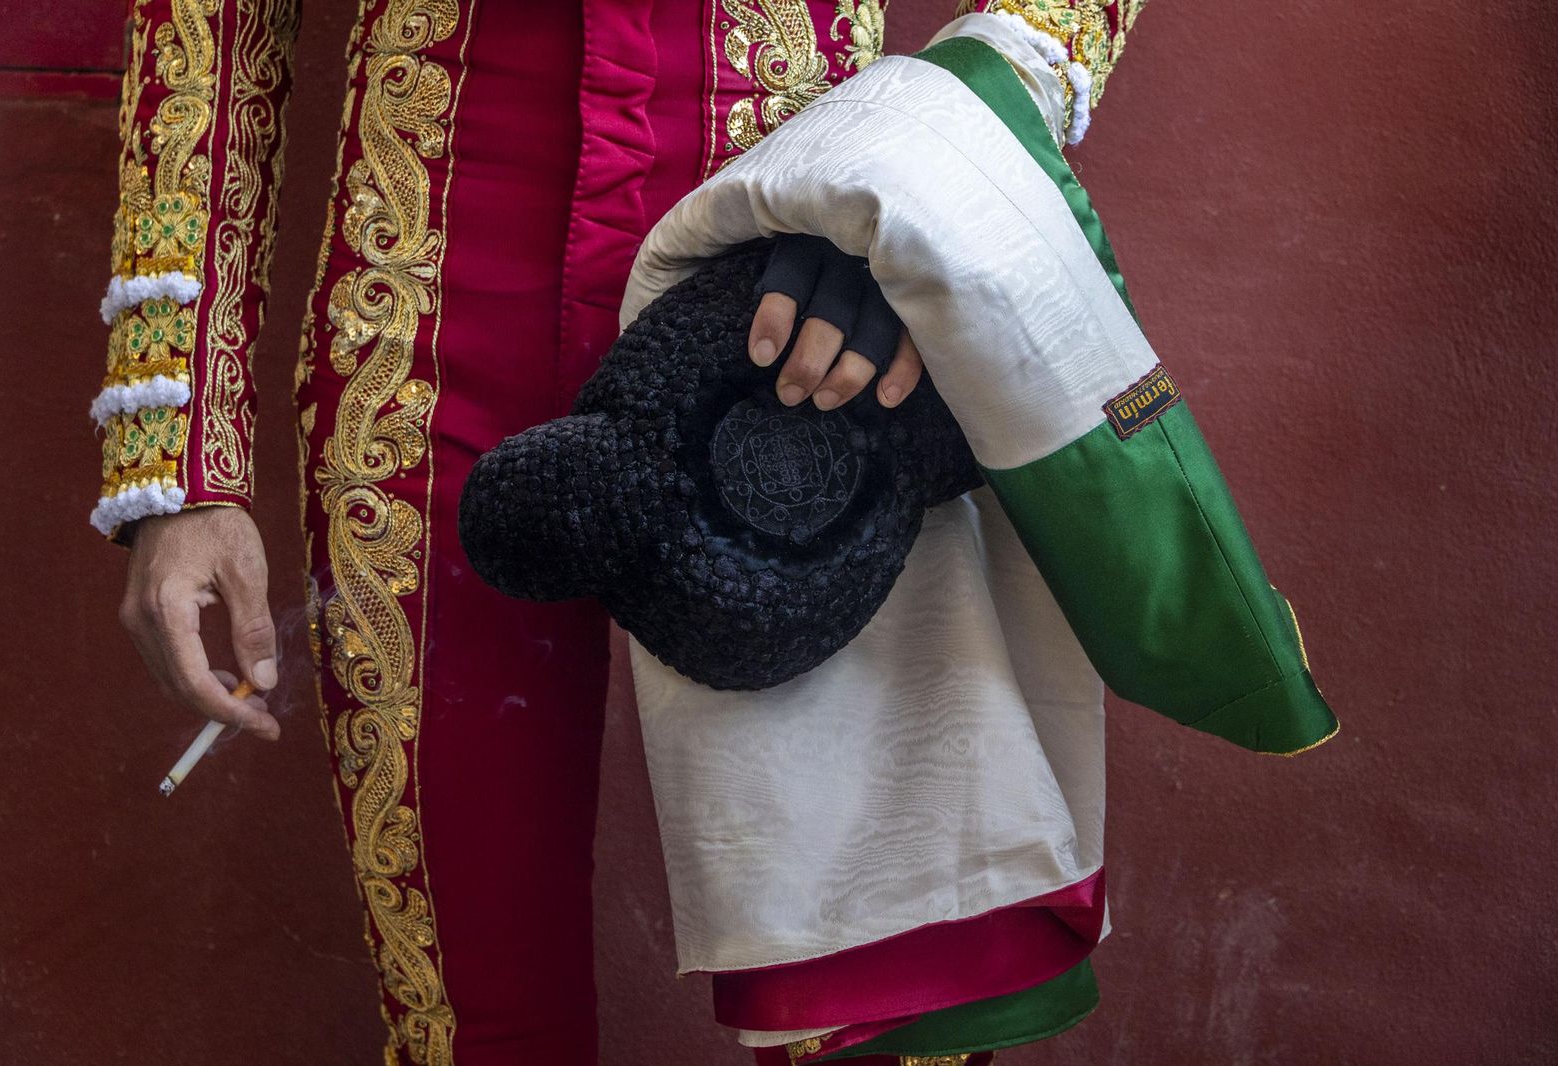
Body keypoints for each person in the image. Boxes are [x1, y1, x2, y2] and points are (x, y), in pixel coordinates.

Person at [98, 3, 1329, 1064]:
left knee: (882, 983)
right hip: (422, 331)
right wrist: (178, 462)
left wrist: (900, 191)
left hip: (794, 284)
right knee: (467, 1009)